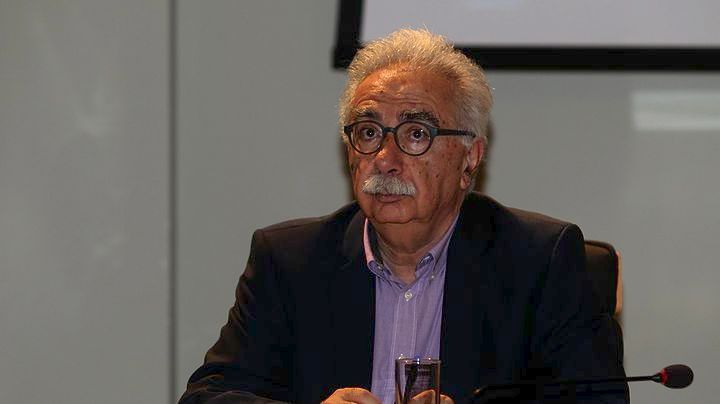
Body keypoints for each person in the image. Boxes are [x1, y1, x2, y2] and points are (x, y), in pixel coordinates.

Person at [179, 29, 627, 404]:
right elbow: (208, 396)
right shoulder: (290, 262)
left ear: (470, 158)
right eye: (368, 132)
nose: (385, 159)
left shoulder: (540, 262)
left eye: (416, 134)